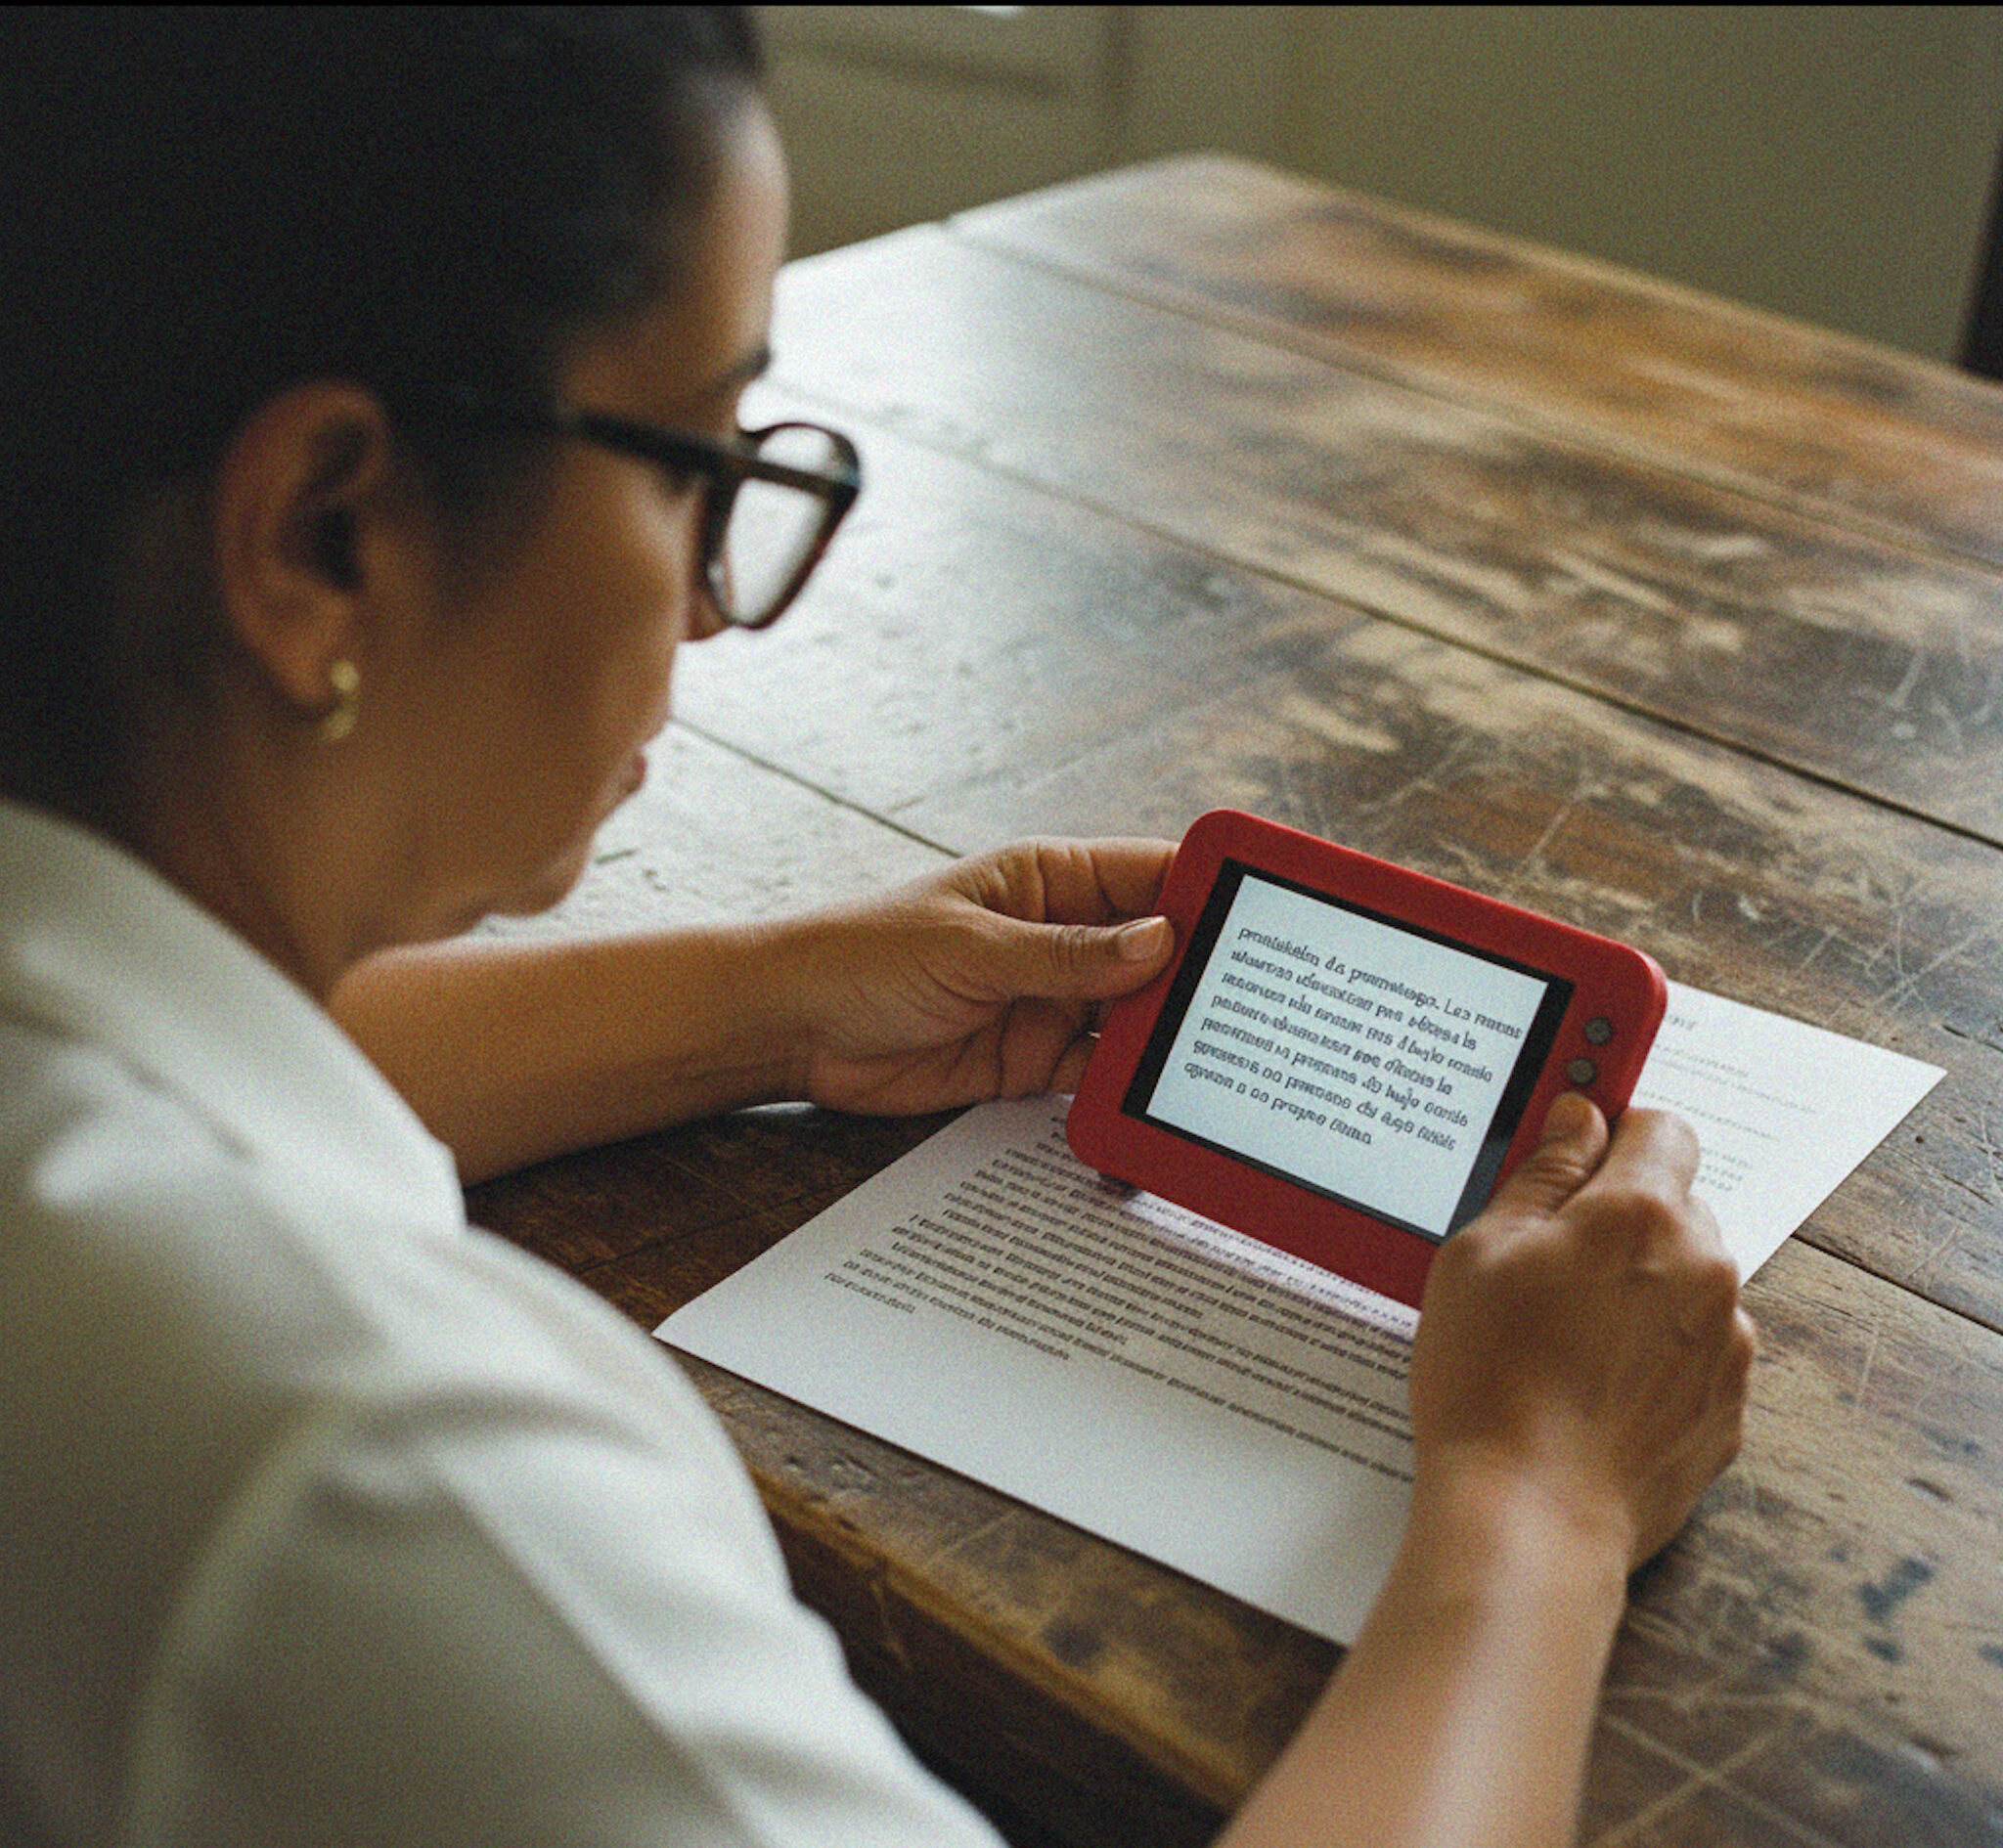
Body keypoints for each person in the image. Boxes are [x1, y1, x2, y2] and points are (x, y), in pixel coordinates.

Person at [0, 9, 1755, 1846]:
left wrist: (773, 1010)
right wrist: (1534, 1504)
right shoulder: (376, 1482)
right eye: (695, 461)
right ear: (324, 537)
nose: (713, 604)